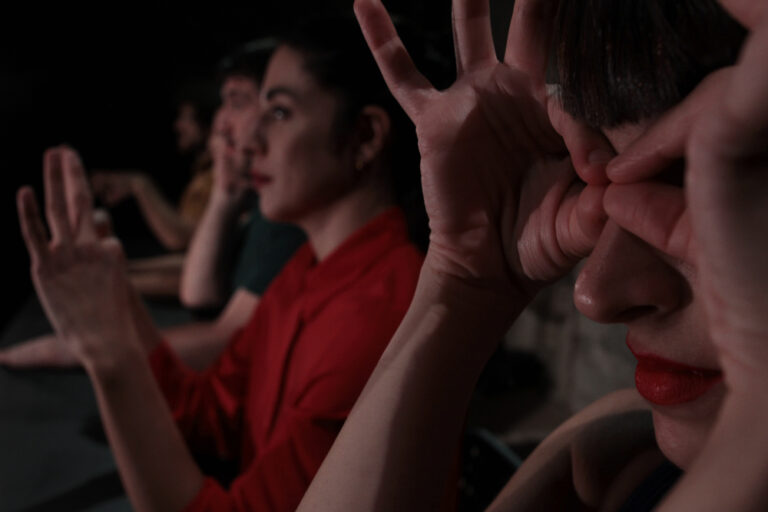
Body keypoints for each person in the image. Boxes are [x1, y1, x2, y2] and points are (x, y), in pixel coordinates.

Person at [294, 0, 768, 511]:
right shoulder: (612, 461)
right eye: (605, 181)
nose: (595, 294)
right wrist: (463, 287)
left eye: (733, 193)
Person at [14, 14, 425, 512]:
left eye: (279, 112)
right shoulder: (307, 267)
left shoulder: (380, 317)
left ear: (365, 135)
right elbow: (207, 411)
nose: (248, 142)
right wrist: (117, 301)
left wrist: (111, 356)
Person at [0, 40, 305, 370]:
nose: (221, 123)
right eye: (223, 105)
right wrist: (224, 195)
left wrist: (83, 348)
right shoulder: (262, 203)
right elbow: (200, 287)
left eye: (236, 102)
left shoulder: (289, 215)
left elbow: (190, 263)